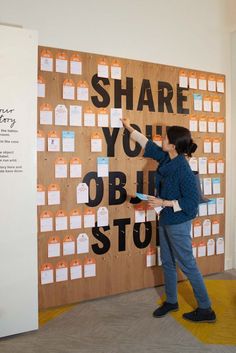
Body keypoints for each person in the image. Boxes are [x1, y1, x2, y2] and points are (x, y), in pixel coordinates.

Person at [121, 118, 216, 323]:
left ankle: (206, 309)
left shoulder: (183, 169)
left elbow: (191, 203)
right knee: (167, 262)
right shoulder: (166, 157)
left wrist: (164, 202)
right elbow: (147, 144)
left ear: (173, 145)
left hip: (178, 222)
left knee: (188, 265)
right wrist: (129, 127)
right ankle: (172, 301)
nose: (161, 139)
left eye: (165, 138)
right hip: (165, 218)